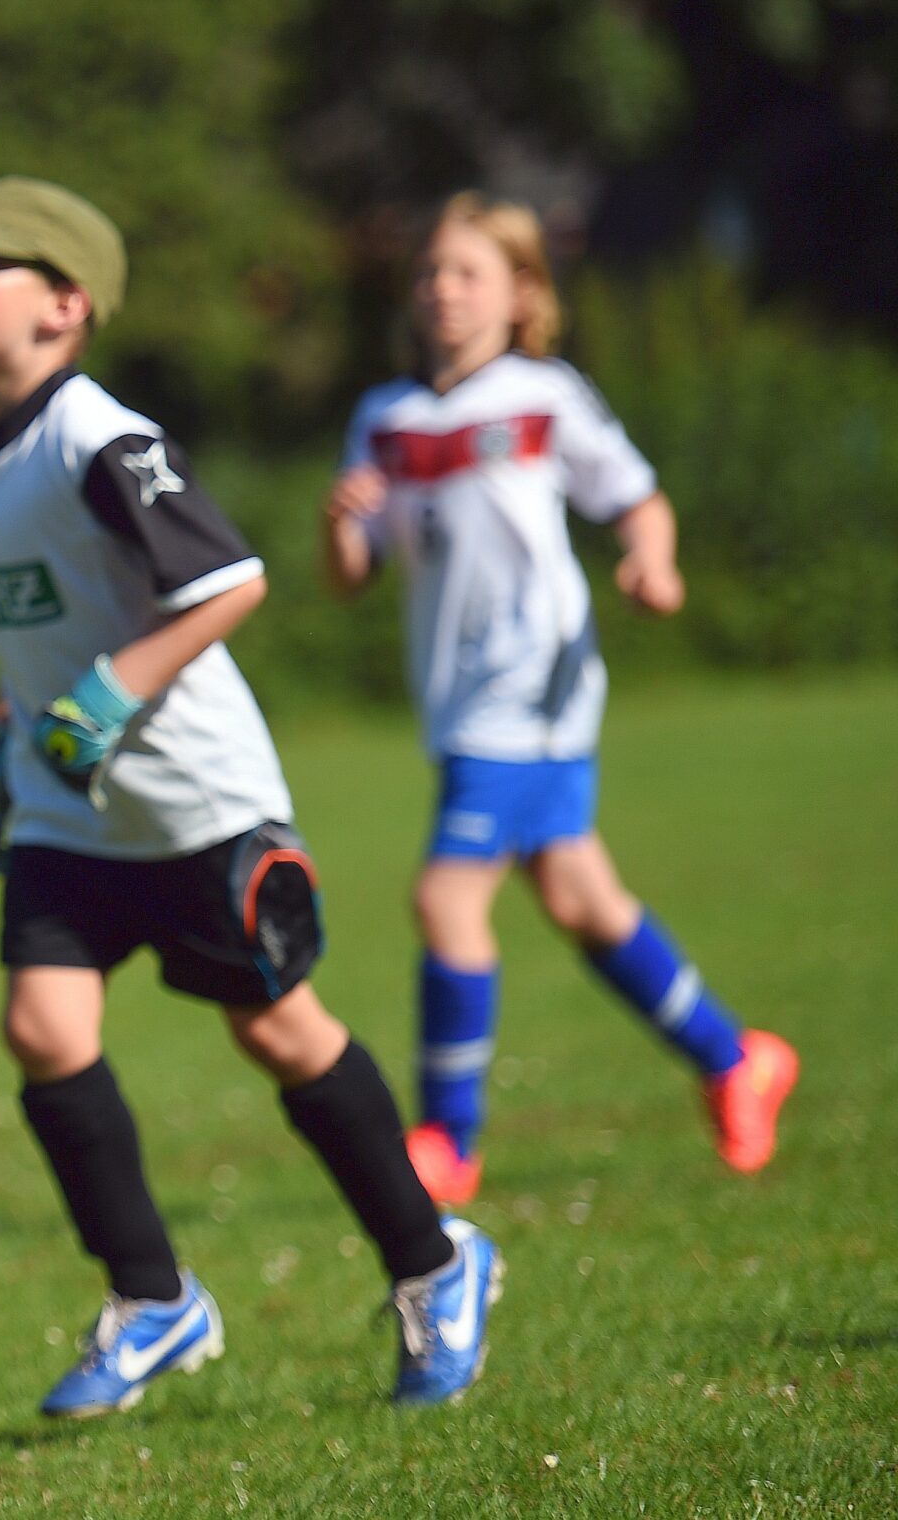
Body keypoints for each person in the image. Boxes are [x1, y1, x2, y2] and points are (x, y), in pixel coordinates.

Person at [0, 177, 498, 1413]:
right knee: (42, 1030)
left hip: (193, 803)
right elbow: (44, 630)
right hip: (69, 807)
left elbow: (229, 579)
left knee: (278, 1032)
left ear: (64, 304)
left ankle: (435, 1265)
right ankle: (152, 1296)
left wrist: (110, 695)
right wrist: (7, 728)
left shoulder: (98, 436)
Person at [321, 193, 797, 1206]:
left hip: (534, 680)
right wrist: (342, 522)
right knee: (582, 900)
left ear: (523, 293)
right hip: (455, 700)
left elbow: (636, 497)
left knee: (445, 897)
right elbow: (350, 573)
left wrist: (651, 565)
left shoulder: (542, 396)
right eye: (430, 273)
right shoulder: (386, 420)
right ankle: (734, 1057)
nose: (442, 290)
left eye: (468, 273)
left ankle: (447, 1143)